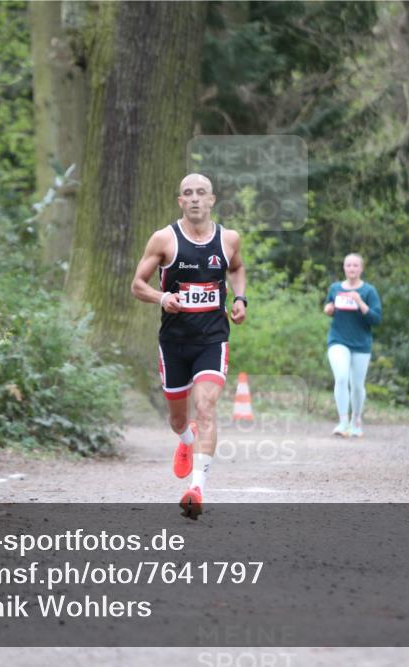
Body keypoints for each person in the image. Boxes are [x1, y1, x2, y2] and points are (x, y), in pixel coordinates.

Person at [131, 173, 247, 519]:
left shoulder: (229, 239)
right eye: (188, 194)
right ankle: (185, 441)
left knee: (206, 407)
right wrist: (162, 296)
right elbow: (137, 285)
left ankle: (197, 488)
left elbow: (237, 269)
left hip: (213, 338)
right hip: (174, 341)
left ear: (212, 200)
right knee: (178, 419)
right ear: (180, 202)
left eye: (201, 193)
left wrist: (240, 298)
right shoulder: (164, 240)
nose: (195, 199)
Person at [323, 253, 381, 438]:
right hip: (338, 340)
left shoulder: (369, 291)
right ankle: (342, 422)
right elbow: (329, 306)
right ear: (344, 268)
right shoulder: (335, 288)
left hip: (361, 344)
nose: (352, 268)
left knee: (357, 385)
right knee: (341, 377)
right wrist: (328, 309)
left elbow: (376, 319)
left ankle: (356, 420)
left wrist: (360, 302)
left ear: (361, 268)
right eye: (348, 265)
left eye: (355, 265)